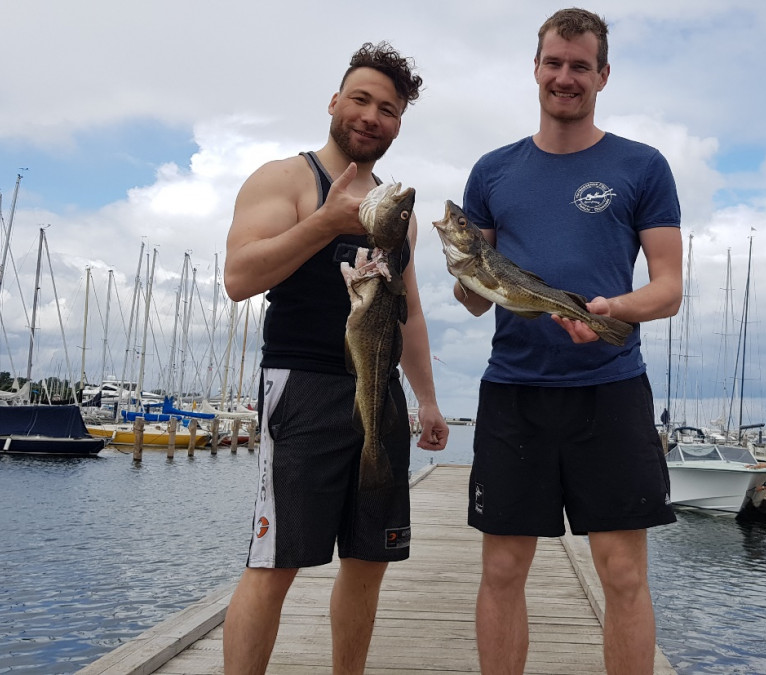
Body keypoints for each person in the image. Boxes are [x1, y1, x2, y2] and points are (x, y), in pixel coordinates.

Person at [452, 9, 683, 675]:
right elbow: (474, 298)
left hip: (610, 388)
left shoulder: (643, 166)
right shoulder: (492, 172)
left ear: (603, 75)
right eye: (554, 62)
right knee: (502, 568)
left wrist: (613, 309)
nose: (565, 77)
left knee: (623, 573)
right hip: (513, 390)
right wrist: (465, 276)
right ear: (535, 68)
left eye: (580, 66)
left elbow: (668, 289)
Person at [222, 41, 448, 675]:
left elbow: (409, 311)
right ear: (334, 102)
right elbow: (238, 278)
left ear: (398, 124)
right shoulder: (285, 179)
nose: (371, 116)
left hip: (379, 390)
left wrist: (428, 399)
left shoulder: (397, 214)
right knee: (275, 563)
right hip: (302, 387)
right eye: (360, 100)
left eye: (387, 109)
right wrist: (323, 223)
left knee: (370, 561)